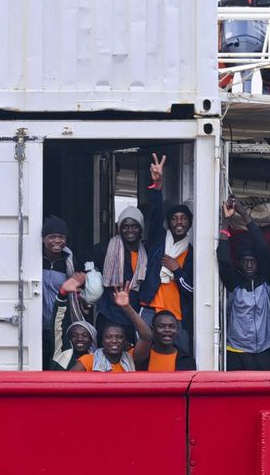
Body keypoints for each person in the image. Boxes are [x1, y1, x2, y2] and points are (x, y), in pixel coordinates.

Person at [94, 154, 169, 343]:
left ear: (141, 229)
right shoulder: (106, 248)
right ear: (119, 228)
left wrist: (157, 187)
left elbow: (157, 219)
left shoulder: (148, 250)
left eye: (134, 226)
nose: (129, 230)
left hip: (136, 316)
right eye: (125, 226)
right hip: (109, 316)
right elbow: (81, 265)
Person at [138, 155, 194, 351]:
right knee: (145, 357)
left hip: (177, 316)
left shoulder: (192, 253)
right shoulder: (158, 241)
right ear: (169, 223)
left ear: (189, 224)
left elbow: (193, 291)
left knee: (180, 360)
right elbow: (155, 214)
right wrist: (157, 184)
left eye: (184, 219)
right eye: (174, 219)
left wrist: (177, 271)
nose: (179, 222)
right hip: (150, 310)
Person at [217, 198, 270, 371]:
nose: (250, 265)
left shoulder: (266, 278)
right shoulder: (234, 282)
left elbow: (263, 249)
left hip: (264, 349)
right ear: (239, 263)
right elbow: (222, 258)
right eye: (245, 261)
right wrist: (226, 221)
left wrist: (244, 214)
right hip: (236, 350)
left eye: (253, 261)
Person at [41, 215, 87, 368]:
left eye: (61, 237)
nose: (57, 241)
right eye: (52, 236)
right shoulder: (34, 259)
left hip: (60, 324)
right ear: (43, 239)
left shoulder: (70, 262)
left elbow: (79, 289)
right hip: (36, 323)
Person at [70, 290, 151, 372]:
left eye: (119, 337)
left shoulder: (132, 357)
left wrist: (127, 308)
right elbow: (70, 380)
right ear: (102, 341)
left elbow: (146, 337)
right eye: (108, 337)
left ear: (124, 341)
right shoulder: (89, 360)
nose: (114, 341)